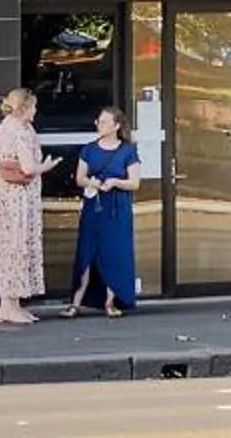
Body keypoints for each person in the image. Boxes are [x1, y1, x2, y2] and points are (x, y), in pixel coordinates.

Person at [0, 87, 61, 325]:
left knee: (11, 247)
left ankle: (12, 304)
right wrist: (47, 167)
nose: (35, 111)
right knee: (18, 246)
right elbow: (28, 168)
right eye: (33, 107)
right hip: (18, 198)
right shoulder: (18, 131)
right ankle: (9, 305)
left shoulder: (4, 128)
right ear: (24, 108)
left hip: (9, 197)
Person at [66, 106, 145, 317]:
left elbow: (134, 182)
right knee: (86, 252)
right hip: (94, 208)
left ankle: (111, 301)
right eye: (98, 121)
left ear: (116, 126)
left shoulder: (128, 150)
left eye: (103, 122)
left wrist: (116, 182)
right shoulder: (89, 149)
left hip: (117, 210)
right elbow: (79, 178)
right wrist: (91, 182)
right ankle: (76, 301)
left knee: (115, 254)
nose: (98, 125)